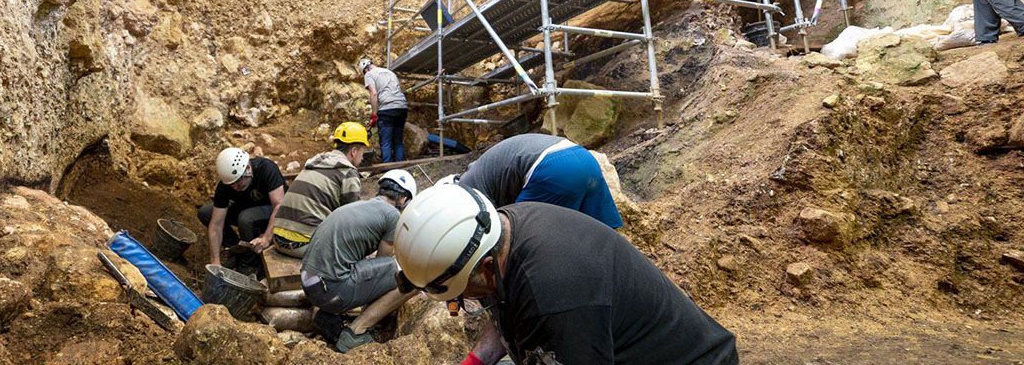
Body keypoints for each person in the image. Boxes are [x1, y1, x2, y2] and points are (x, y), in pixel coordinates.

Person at [394, 184, 739, 365]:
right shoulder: (497, 231)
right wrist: (475, 361)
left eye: (464, 295)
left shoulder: (556, 298)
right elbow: (504, 312)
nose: (466, 302)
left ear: (484, 267)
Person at [300, 169, 420, 353]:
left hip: (311, 286)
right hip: (330, 291)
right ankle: (356, 332)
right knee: (409, 277)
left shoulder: (357, 207)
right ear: (403, 199)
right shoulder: (392, 216)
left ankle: (330, 316)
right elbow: (385, 265)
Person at [455, 132, 623, 229]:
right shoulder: (480, 172)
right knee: (604, 233)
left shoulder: (466, 194)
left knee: (519, 236)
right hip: (584, 157)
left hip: (552, 168)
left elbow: (491, 233)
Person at [270, 122, 369, 257]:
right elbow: (351, 218)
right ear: (354, 151)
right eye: (362, 151)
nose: (362, 157)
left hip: (278, 240)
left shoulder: (315, 163)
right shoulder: (347, 172)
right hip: (303, 245)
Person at [198, 147, 286, 266]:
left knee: (246, 218)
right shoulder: (226, 185)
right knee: (206, 212)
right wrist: (215, 262)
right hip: (247, 209)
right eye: (231, 184)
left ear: (248, 169)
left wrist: (266, 238)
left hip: (273, 210)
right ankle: (236, 248)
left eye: (238, 182)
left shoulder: (266, 169)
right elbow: (216, 225)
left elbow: (280, 205)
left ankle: (250, 263)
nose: (235, 187)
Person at [359, 56, 409, 162]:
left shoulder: (369, 74)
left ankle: (387, 169)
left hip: (387, 109)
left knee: (386, 142)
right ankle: (400, 167)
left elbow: (373, 93)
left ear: (365, 69)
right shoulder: (390, 72)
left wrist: (374, 114)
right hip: (402, 107)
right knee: (398, 141)